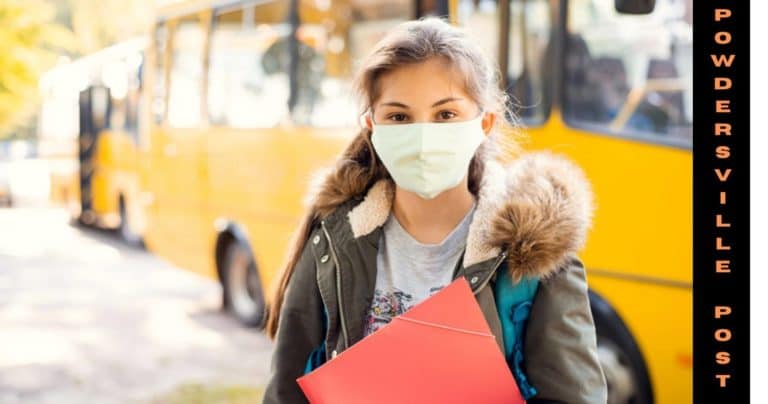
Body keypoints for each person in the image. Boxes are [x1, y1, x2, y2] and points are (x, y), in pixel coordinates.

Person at [262, 17, 607, 404]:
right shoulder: (331, 245)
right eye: (398, 116)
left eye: (445, 114)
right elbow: (284, 393)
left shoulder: (536, 256)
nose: (423, 134)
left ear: (485, 123)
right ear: (371, 126)